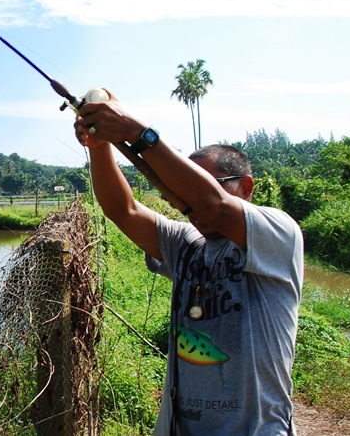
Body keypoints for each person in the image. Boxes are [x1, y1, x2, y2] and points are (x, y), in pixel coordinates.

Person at [74, 89, 304, 436]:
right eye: (180, 192)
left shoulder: (276, 232)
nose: (188, 203)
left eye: (200, 188)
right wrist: (100, 144)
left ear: (246, 187)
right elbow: (125, 210)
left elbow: (213, 206)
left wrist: (137, 133)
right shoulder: (185, 244)